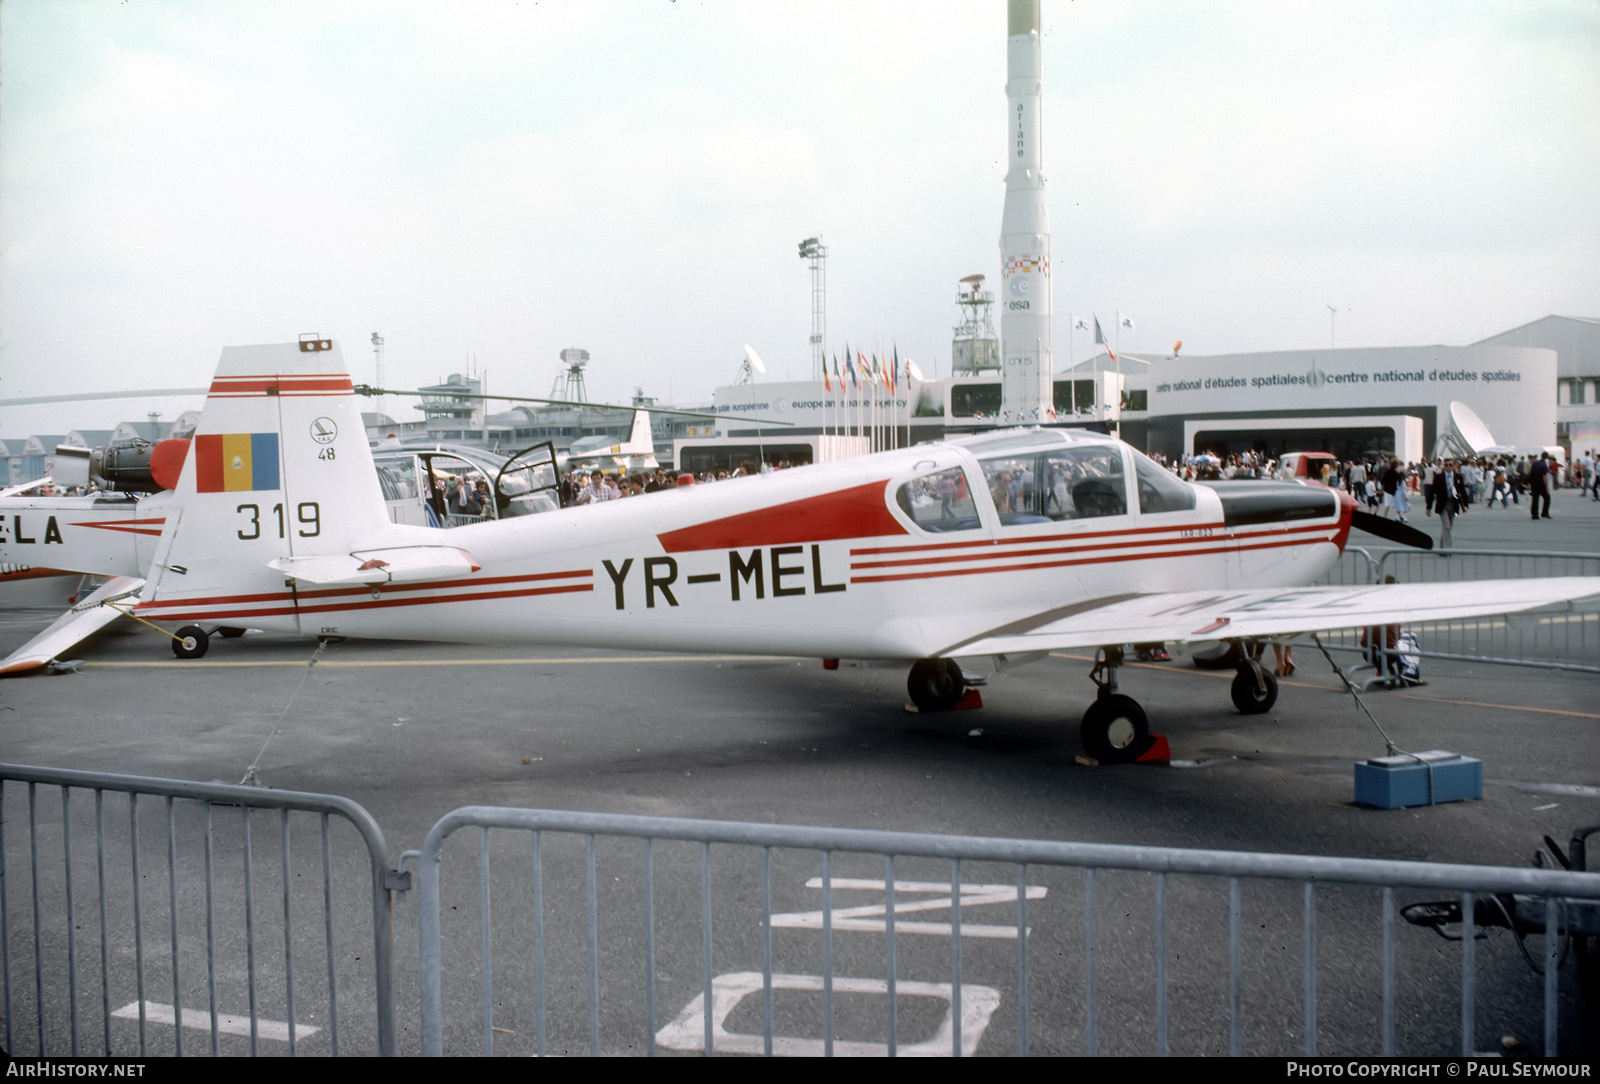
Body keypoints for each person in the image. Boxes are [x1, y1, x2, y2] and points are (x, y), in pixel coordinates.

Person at [1529, 452, 1552, 520]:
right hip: (1541, 484)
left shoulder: (1535, 463)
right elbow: (1544, 476)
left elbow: (1531, 473)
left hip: (1534, 483)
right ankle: (1545, 513)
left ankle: (1534, 514)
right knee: (1547, 498)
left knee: (1535, 499)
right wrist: (1547, 487)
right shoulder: (1544, 465)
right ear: (1547, 457)